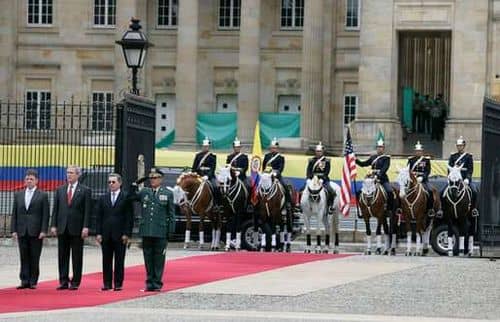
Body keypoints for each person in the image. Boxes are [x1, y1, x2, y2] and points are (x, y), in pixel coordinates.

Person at [131, 168, 175, 292]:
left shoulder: (167, 193)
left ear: (161, 179)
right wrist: (136, 183)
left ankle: (157, 283)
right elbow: (131, 197)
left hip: (160, 231)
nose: (152, 180)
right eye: (151, 178)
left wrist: (170, 231)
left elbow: (171, 214)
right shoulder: (145, 192)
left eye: (155, 178)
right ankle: (149, 282)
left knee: (159, 259)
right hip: (147, 231)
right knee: (148, 258)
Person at [50, 165, 91, 290]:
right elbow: (56, 209)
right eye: (67, 172)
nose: (69, 175)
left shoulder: (84, 190)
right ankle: (63, 280)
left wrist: (86, 226)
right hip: (63, 227)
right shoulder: (60, 190)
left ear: (78, 175)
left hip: (77, 228)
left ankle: (75, 281)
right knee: (62, 255)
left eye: (71, 173)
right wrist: (53, 225)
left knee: (76, 256)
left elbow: (87, 211)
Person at [11, 169, 50, 290]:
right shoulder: (18, 195)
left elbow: (45, 214)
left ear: (36, 181)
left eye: (31, 179)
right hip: (22, 230)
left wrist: (44, 230)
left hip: (36, 231)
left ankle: (33, 281)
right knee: (24, 256)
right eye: (27, 179)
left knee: (34, 256)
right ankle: (24, 280)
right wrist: (14, 230)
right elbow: (15, 214)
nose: (29, 181)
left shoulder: (42, 195)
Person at [95, 173, 134, 291]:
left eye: (113, 182)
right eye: (109, 182)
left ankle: (118, 283)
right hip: (106, 234)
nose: (111, 184)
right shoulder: (103, 198)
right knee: (106, 260)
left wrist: (127, 234)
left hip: (120, 234)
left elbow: (129, 217)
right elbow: (99, 217)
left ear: (120, 183)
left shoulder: (125, 197)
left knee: (119, 260)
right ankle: (107, 283)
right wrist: (98, 233)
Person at [439, 136, 478, 217]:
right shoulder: (453, 156)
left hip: (464, 179)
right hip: (454, 180)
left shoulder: (468, 156)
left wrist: (467, 178)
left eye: (460, 146)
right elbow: (449, 168)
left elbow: (470, 169)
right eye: (458, 146)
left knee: (474, 191)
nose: (459, 147)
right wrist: (449, 178)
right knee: (442, 192)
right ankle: (441, 210)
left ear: (464, 146)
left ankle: (473, 209)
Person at [355, 139, 396, 215]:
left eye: (381, 147)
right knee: (359, 192)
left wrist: (378, 175)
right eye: (378, 147)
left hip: (382, 179)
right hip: (371, 179)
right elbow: (363, 164)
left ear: (383, 149)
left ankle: (389, 209)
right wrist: (355, 160)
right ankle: (362, 209)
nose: (379, 149)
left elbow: (384, 169)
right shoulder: (373, 157)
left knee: (390, 192)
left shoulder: (386, 158)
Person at [262, 138, 292, 211]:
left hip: (276, 177)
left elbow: (281, 168)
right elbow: (263, 167)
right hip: (267, 177)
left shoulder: (280, 157)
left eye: (275, 148)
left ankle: (288, 202)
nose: (273, 149)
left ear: (277, 148)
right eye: (272, 148)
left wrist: (275, 173)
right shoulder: (267, 156)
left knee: (285, 186)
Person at [192, 137, 220, 210]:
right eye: (204, 146)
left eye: (207, 146)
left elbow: (213, 168)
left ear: (209, 147)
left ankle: (215, 204)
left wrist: (207, 176)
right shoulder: (198, 155)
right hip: (199, 176)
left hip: (209, 176)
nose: (205, 148)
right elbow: (194, 168)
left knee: (216, 187)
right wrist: (195, 175)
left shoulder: (212, 156)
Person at [306, 142, 335, 214]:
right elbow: (308, 170)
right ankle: (301, 205)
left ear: (322, 152)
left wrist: (322, 179)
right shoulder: (312, 160)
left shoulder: (326, 161)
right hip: (313, 179)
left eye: (320, 151)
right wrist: (309, 178)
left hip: (323, 179)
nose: (318, 153)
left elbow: (327, 171)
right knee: (302, 189)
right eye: (317, 151)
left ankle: (331, 206)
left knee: (331, 191)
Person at [407, 141, 435, 216]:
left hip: (423, 181)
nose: (418, 152)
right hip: (413, 180)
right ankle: (401, 208)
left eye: (419, 151)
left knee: (430, 191)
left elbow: (427, 171)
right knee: (403, 191)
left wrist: (422, 177)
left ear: (422, 151)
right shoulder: (411, 160)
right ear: (415, 151)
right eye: (417, 151)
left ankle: (430, 209)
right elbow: (408, 170)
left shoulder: (426, 160)